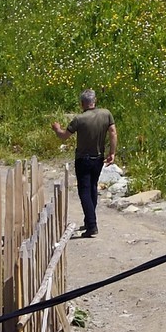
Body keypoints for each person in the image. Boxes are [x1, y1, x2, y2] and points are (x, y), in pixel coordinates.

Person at [53, 88, 117, 237]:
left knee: (84, 191)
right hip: (98, 158)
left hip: (83, 159)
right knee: (93, 188)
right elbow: (113, 132)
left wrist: (57, 129)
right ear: (95, 101)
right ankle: (89, 221)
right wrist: (112, 152)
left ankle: (92, 225)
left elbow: (63, 136)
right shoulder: (106, 114)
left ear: (82, 103)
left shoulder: (79, 119)